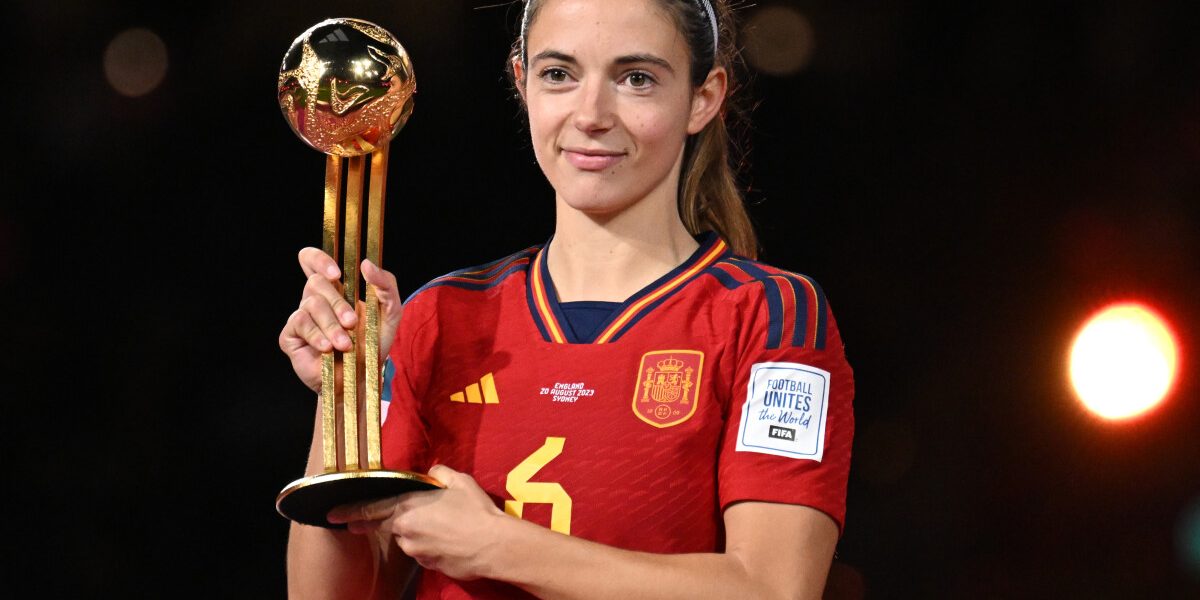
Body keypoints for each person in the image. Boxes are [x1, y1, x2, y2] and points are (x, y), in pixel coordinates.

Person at [279, 0, 855, 598]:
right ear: (521, 82)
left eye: (637, 79)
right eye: (559, 74)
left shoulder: (771, 317)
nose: (591, 115)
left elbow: (772, 590)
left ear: (703, 98)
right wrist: (343, 395)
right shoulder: (438, 317)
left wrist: (503, 547)